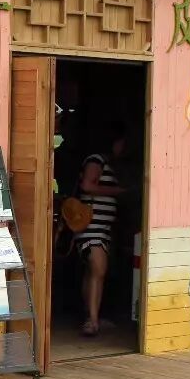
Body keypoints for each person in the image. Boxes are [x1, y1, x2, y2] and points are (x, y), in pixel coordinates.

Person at [74, 123, 129, 336]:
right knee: (98, 270)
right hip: (92, 229)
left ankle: (91, 316)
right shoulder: (96, 160)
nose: (123, 147)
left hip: (100, 229)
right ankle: (92, 321)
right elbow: (87, 186)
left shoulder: (105, 162)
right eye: (121, 142)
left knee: (93, 272)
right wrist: (118, 191)